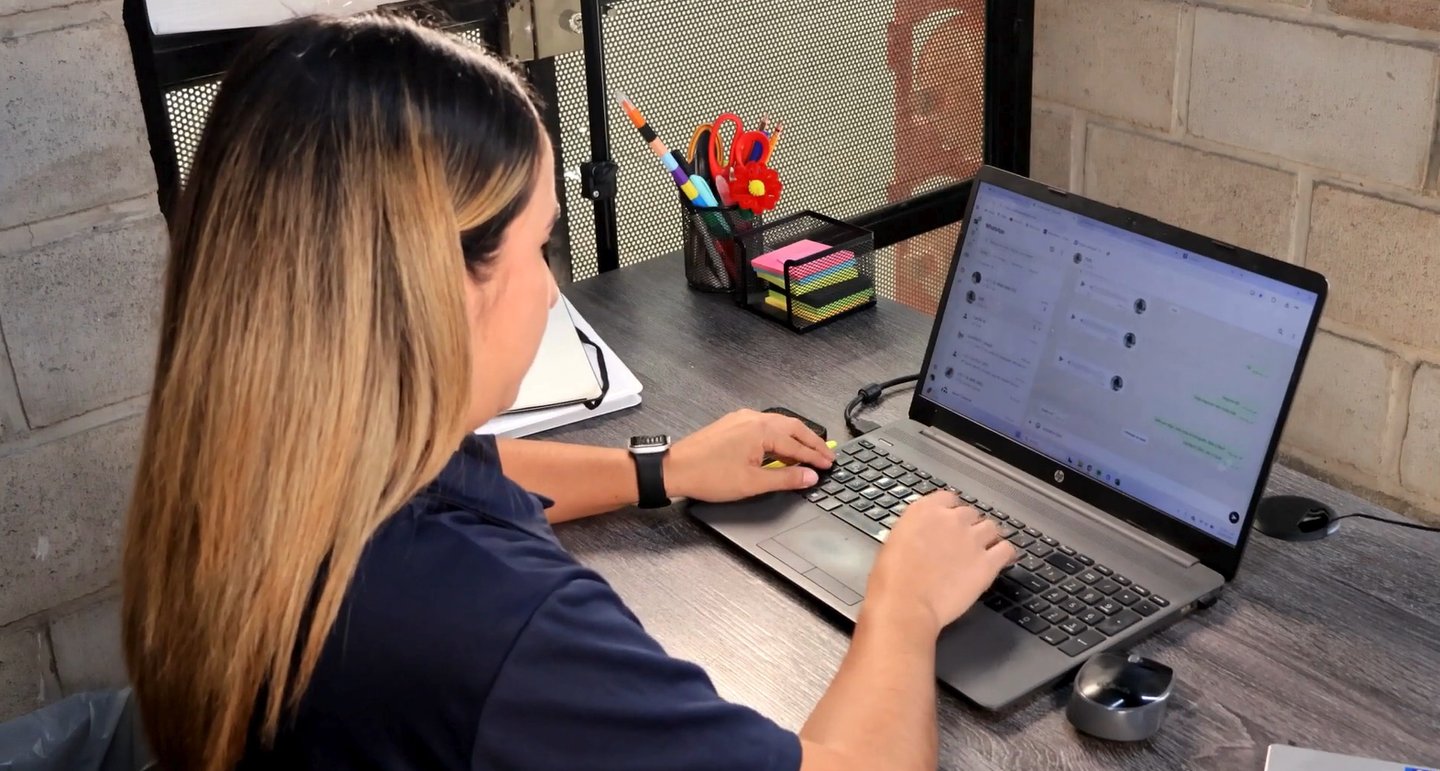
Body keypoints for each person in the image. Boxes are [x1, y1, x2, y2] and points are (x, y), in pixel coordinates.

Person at [120, 14, 1015, 771]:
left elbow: (475, 470)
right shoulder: (504, 633)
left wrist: (666, 468)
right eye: (542, 247)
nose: (553, 295)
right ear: (440, 283)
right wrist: (904, 604)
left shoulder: (246, 462)